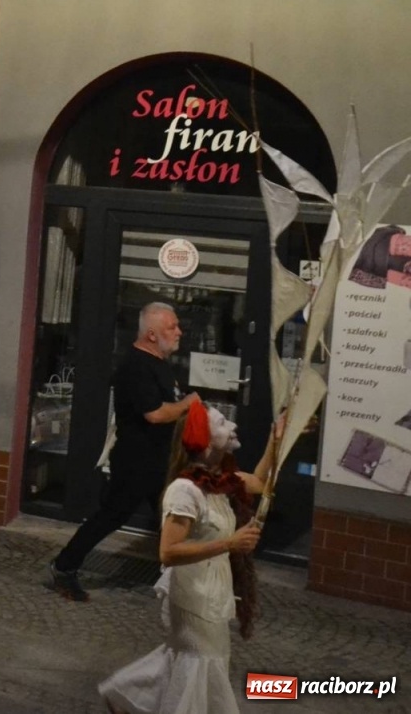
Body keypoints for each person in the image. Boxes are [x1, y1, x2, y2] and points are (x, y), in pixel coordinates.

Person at [98, 402, 281, 714]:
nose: (233, 426)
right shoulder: (185, 490)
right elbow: (168, 552)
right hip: (192, 593)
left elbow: (261, 483)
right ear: (205, 440)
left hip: (212, 588)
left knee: (193, 660)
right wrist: (230, 543)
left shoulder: (220, 480)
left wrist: (275, 440)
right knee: (200, 661)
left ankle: (123, 693)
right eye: (222, 423)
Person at [52, 302, 201, 601]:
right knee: (112, 515)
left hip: (159, 459)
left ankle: (182, 576)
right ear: (151, 334)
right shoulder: (136, 366)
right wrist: (188, 404)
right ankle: (64, 566)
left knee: (171, 516)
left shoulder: (159, 362)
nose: (179, 332)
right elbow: (155, 414)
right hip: (136, 461)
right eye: (172, 327)